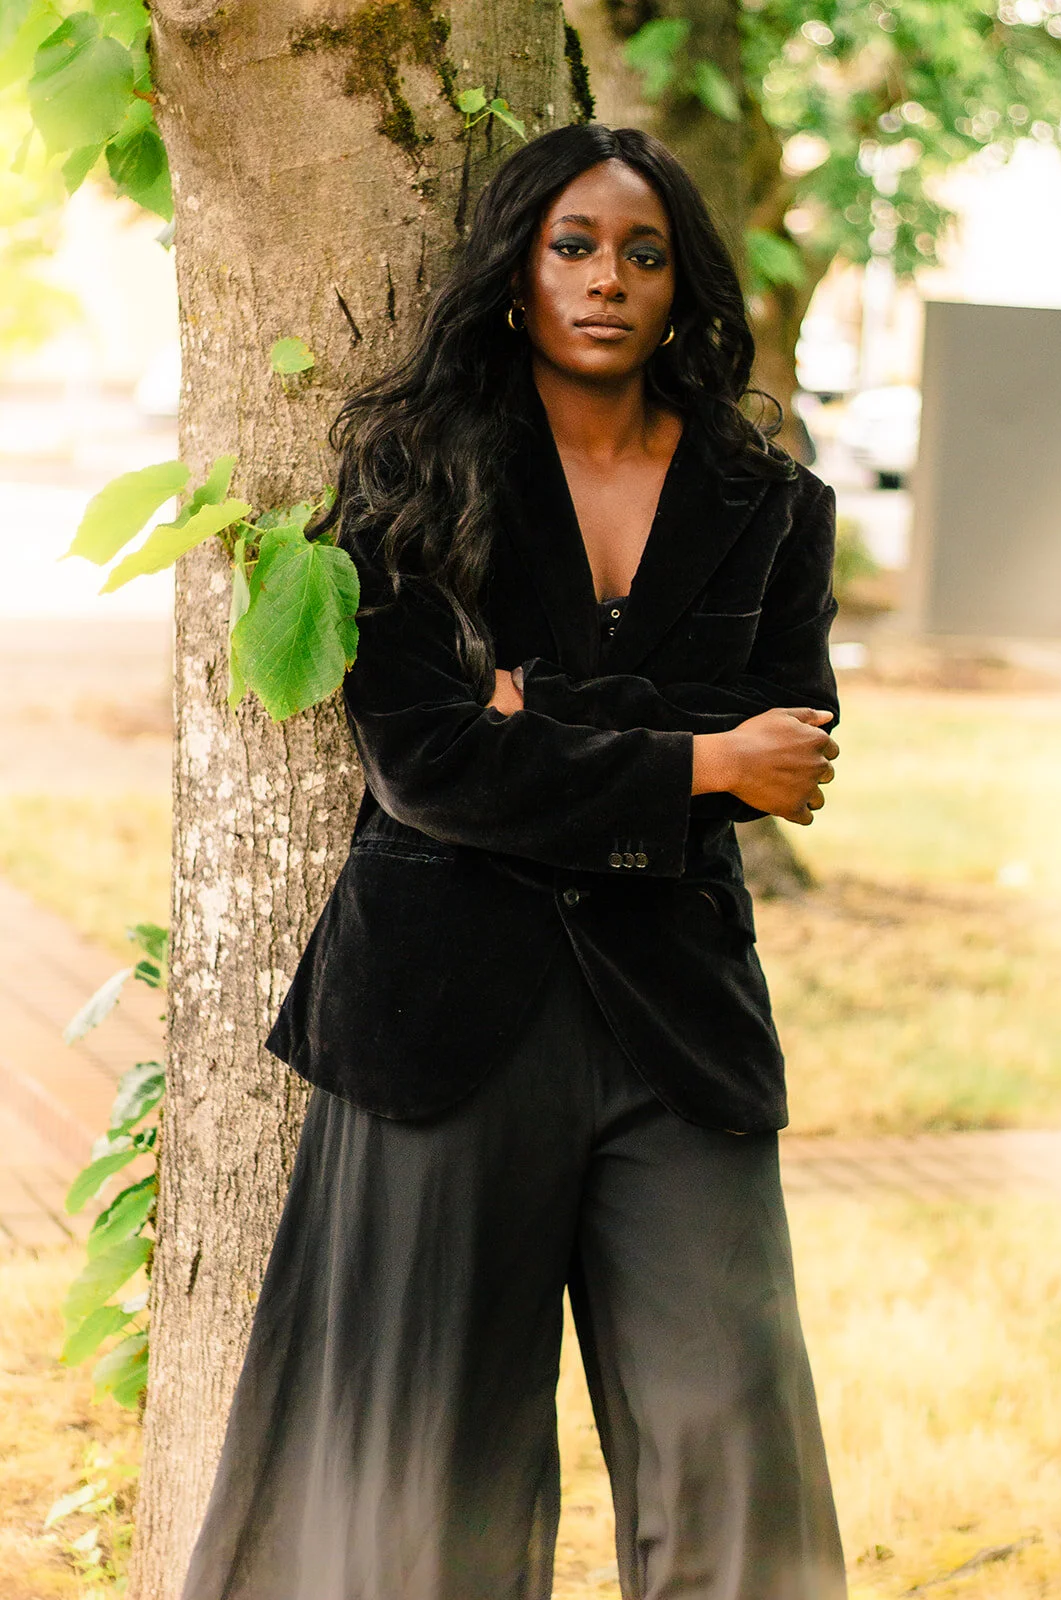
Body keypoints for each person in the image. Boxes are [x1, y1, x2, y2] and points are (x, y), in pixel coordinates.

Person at [180, 124, 846, 1600]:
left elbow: (789, 754)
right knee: (425, 1479)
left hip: (673, 1020)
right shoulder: (412, 471)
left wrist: (534, 710)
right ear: (515, 272)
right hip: (438, 1013)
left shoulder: (773, 505)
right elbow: (426, 766)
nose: (607, 278)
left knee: (731, 1439)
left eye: (643, 251)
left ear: (682, 286)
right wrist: (688, 755)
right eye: (573, 245)